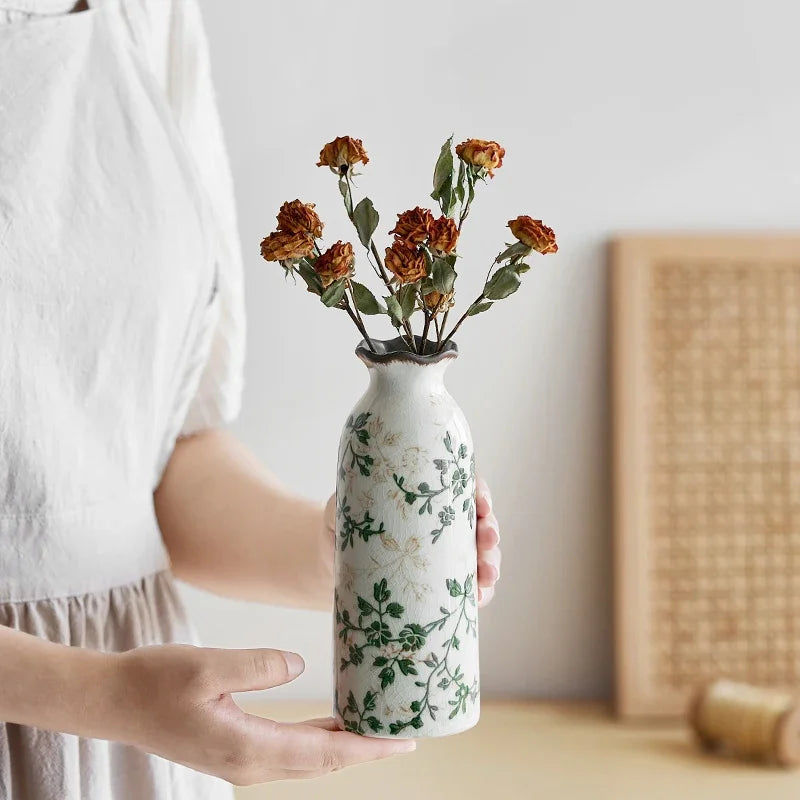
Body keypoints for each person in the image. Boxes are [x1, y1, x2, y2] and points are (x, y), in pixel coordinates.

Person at [0, 0, 503, 797]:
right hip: (125, 714)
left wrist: (345, 552)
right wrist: (101, 695)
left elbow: (152, 465)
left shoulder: (148, 18)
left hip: (139, 754)